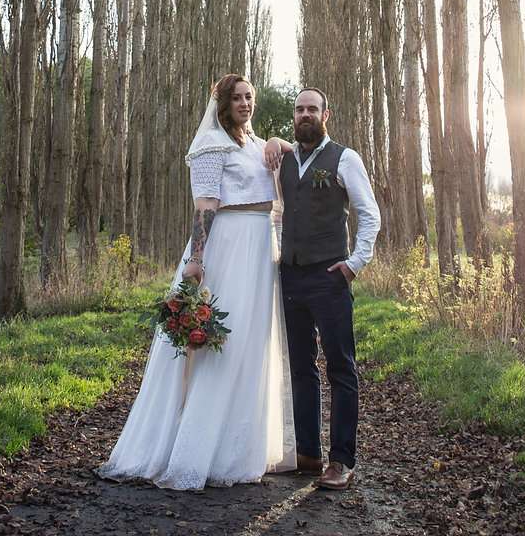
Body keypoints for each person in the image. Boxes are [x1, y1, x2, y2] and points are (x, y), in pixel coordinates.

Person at [97, 74, 296, 491]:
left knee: (250, 346)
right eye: (237, 98)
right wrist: (197, 260)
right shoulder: (211, 144)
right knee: (221, 345)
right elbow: (205, 205)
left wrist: (279, 140)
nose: (245, 104)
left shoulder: (258, 145)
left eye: (249, 97)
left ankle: (237, 448)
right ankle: (196, 449)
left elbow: (295, 163)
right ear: (223, 104)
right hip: (228, 248)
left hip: (260, 249)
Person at [271, 87, 380, 491]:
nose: (305, 115)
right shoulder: (284, 160)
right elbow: (277, 214)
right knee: (301, 367)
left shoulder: (345, 158)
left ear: (325, 115)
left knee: (340, 367)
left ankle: (342, 460)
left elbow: (369, 214)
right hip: (291, 275)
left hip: (330, 275)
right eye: (299, 109)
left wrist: (354, 264)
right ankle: (308, 453)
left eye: (312, 109)